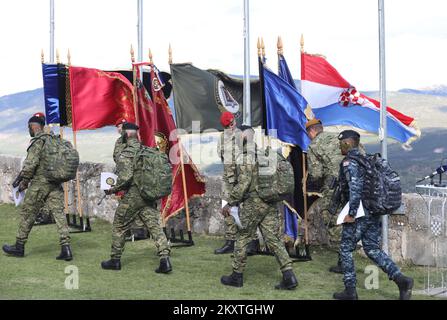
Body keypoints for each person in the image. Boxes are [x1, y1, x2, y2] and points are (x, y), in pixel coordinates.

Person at [333, 129, 413, 300]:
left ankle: (350, 291)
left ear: (347, 143)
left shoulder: (350, 162)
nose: (339, 146)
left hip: (360, 213)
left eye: (341, 143)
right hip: (373, 211)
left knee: (346, 249)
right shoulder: (366, 159)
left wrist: (352, 213)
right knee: (372, 248)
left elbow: (355, 189)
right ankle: (401, 280)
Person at [220, 126, 298, 289]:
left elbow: (243, 183)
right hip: (270, 201)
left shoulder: (246, 156)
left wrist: (230, 202)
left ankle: (237, 276)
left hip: (254, 203)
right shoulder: (264, 153)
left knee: (242, 236)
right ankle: (289, 276)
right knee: (274, 239)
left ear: (242, 136)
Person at [101, 122, 172, 273]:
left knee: (119, 226)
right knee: (154, 227)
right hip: (148, 195)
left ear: (125, 135)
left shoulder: (127, 152)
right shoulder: (145, 150)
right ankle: (165, 259)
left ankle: (115, 260)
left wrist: (113, 189)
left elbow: (125, 177)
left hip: (133, 196)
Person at [3, 114, 72, 261]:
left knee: (28, 213)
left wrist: (24, 182)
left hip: (40, 184)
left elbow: (30, 164)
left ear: (34, 126)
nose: (29, 129)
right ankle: (66, 248)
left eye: (29, 127)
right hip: (55, 183)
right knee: (59, 214)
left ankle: (19, 246)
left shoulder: (37, 141)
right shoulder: (54, 140)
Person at [215, 112, 259, 255]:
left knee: (247, 211)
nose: (232, 126)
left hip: (243, 177)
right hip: (229, 178)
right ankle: (230, 241)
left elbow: (251, 153)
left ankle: (253, 242)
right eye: (228, 126)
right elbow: (221, 154)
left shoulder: (244, 134)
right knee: (226, 210)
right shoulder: (222, 138)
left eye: (233, 123)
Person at [305, 119, 344, 273]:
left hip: (334, 189)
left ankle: (344, 261)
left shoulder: (314, 145)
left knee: (334, 223)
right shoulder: (340, 137)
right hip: (354, 185)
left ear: (311, 131)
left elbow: (316, 174)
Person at [113, 118, 148, 241]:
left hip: (133, 176)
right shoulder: (119, 141)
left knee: (133, 205)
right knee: (127, 203)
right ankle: (129, 230)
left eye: (121, 126)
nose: (120, 128)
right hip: (124, 173)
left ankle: (138, 231)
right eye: (118, 126)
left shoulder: (133, 141)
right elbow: (116, 157)